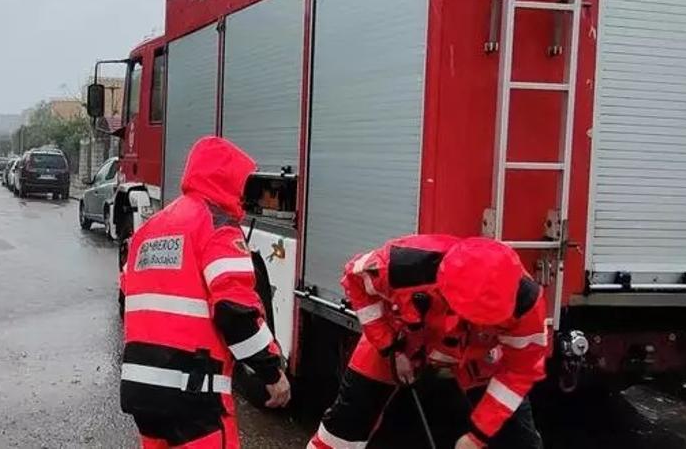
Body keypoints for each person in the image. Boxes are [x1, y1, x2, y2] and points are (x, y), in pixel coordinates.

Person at [120, 136, 290, 449]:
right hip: (194, 394)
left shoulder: (148, 229)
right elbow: (235, 311)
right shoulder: (218, 228)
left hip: (141, 389)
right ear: (227, 180)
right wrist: (272, 372)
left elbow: (127, 293)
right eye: (241, 182)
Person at [308, 235, 548, 449]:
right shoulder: (405, 264)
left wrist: (478, 436)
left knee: (517, 439)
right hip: (401, 336)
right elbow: (354, 279)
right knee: (348, 421)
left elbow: (520, 371)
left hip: (477, 353)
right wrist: (391, 347)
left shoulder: (526, 303)